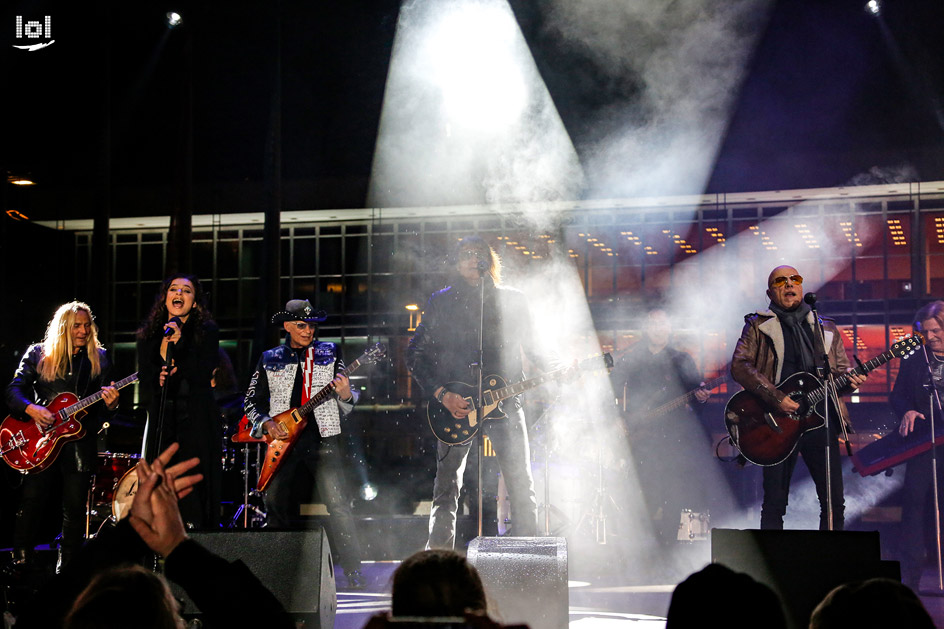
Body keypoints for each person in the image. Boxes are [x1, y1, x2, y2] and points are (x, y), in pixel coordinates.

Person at [15, 442, 293, 629]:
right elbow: (266, 620)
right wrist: (178, 547)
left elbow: (38, 615)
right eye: (178, 611)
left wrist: (131, 529)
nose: (182, 608)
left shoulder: (52, 611)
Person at [407, 235, 552, 549]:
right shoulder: (441, 301)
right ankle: (440, 556)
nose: (472, 260)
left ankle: (528, 556)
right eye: (465, 255)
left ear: (489, 259)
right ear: (457, 263)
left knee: (521, 482)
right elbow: (414, 354)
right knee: (446, 487)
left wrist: (558, 367)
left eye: (478, 254)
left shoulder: (513, 300)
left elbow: (535, 347)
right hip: (455, 405)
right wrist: (443, 395)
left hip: (505, 401)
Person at [731, 265, 866, 530]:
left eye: (795, 279)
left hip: (821, 419)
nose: (789, 285)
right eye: (781, 281)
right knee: (774, 501)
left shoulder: (824, 326)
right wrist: (775, 397)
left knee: (833, 501)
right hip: (779, 421)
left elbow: (838, 374)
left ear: (802, 288)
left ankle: (830, 562)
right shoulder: (758, 325)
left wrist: (850, 382)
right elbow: (739, 365)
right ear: (770, 292)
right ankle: (772, 564)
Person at [243, 298, 365, 588]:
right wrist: (267, 423)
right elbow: (250, 401)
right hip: (282, 442)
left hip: (323, 437)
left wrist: (347, 394)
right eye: (301, 325)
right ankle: (277, 569)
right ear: (287, 326)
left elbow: (351, 398)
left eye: (311, 325)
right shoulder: (269, 357)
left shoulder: (330, 352)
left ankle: (354, 570)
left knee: (338, 505)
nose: (308, 330)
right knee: (275, 505)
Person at [4, 301, 120, 572]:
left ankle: (67, 569)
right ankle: (20, 562)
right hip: (41, 439)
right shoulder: (38, 354)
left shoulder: (100, 358)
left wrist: (112, 405)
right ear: (63, 328)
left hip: (79, 440)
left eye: (86, 325)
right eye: (76, 326)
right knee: (32, 500)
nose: (83, 331)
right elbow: (14, 391)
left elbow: (105, 408)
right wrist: (32, 409)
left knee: (75, 507)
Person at [610, 308, 711, 544]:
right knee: (645, 492)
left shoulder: (681, 359)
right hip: (642, 437)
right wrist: (617, 419)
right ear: (646, 327)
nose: (659, 328)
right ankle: (646, 546)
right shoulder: (632, 358)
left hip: (675, 437)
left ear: (670, 327)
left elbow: (697, 397)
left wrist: (702, 398)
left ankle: (669, 547)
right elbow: (611, 390)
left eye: (663, 324)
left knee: (673, 493)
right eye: (654, 324)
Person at [137, 274, 221, 529]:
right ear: (165, 299)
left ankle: (196, 537)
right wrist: (159, 377)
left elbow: (203, 370)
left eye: (187, 291)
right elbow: (145, 376)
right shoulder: (150, 334)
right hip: (164, 419)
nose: (179, 294)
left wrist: (180, 341)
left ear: (195, 303)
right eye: (174, 289)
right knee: (160, 483)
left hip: (195, 420)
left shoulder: (206, 331)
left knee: (193, 486)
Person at [891, 300, 944, 587]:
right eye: (925, 332)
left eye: (936, 330)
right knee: (913, 501)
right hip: (923, 441)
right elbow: (897, 396)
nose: (930, 337)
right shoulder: (914, 358)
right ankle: (910, 575)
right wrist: (907, 411)